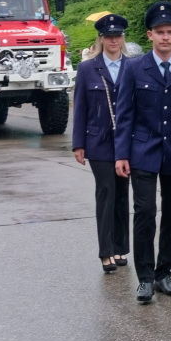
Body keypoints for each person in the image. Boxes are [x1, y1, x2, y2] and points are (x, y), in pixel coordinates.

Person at [114, 1, 171, 304]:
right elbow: (125, 115)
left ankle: (164, 272)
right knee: (145, 212)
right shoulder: (134, 68)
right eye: (160, 32)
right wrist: (121, 154)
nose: (165, 37)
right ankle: (145, 277)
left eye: (170, 31)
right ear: (150, 35)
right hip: (143, 150)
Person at [72, 14, 131, 274]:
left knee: (122, 194)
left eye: (117, 36)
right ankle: (106, 251)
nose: (113, 41)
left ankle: (120, 247)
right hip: (99, 141)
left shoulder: (132, 66)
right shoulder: (88, 68)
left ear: (122, 38)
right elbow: (80, 107)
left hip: (126, 142)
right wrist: (78, 144)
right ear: (101, 39)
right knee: (106, 192)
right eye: (109, 36)